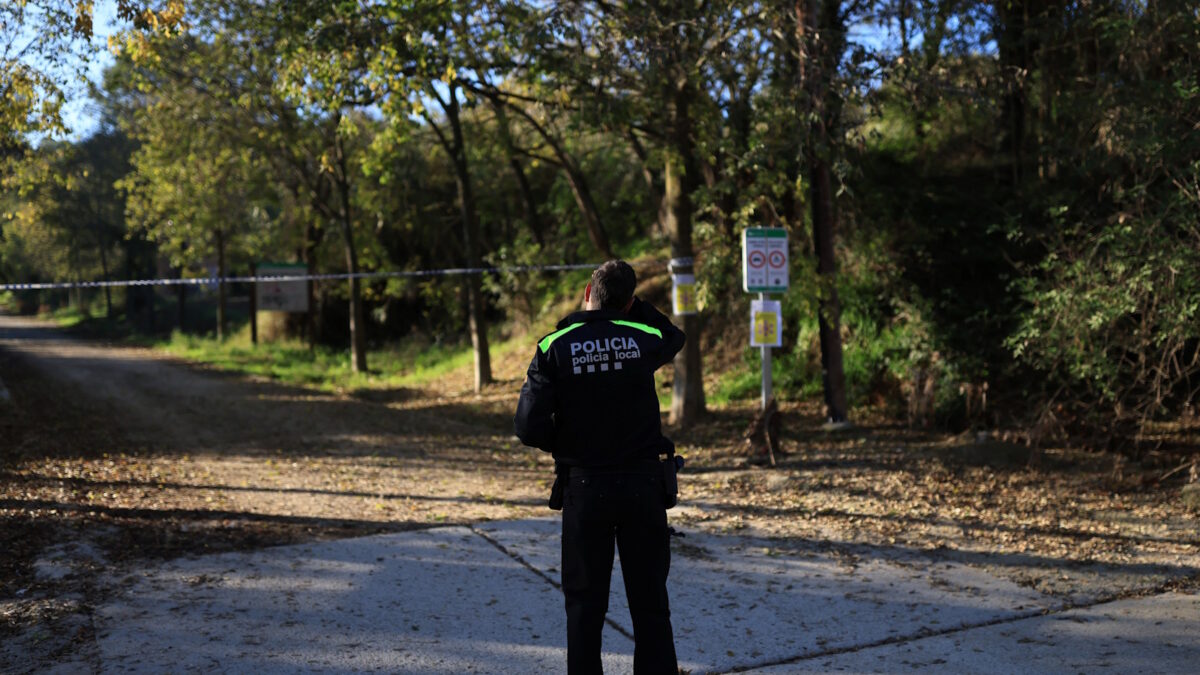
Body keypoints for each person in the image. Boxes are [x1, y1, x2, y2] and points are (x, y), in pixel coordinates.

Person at [514, 260, 685, 674]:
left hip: (585, 486)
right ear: (629, 302)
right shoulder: (642, 335)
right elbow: (674, 337)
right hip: (644, 487)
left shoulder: (554, 344)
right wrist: (631, 306)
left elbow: (527, 426)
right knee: (650, 607)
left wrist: (566, 444)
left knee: (585, 609)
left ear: (588, 292)